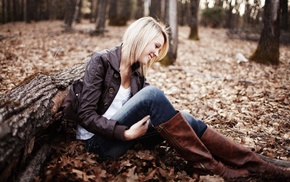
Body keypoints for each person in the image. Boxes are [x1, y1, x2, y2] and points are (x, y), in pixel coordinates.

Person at [63, 16, 290, 180]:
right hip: (97, 145)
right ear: (142, 37)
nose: (156, 54)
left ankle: (255, 164)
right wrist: (125, 133)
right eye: (156, 47)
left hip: (125, 139)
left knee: (185, 117)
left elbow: (161, 111)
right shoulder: (101, 61)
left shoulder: (136, 73)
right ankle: (214, 168)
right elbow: (86, 114)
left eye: (159, 50)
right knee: (153, 95)